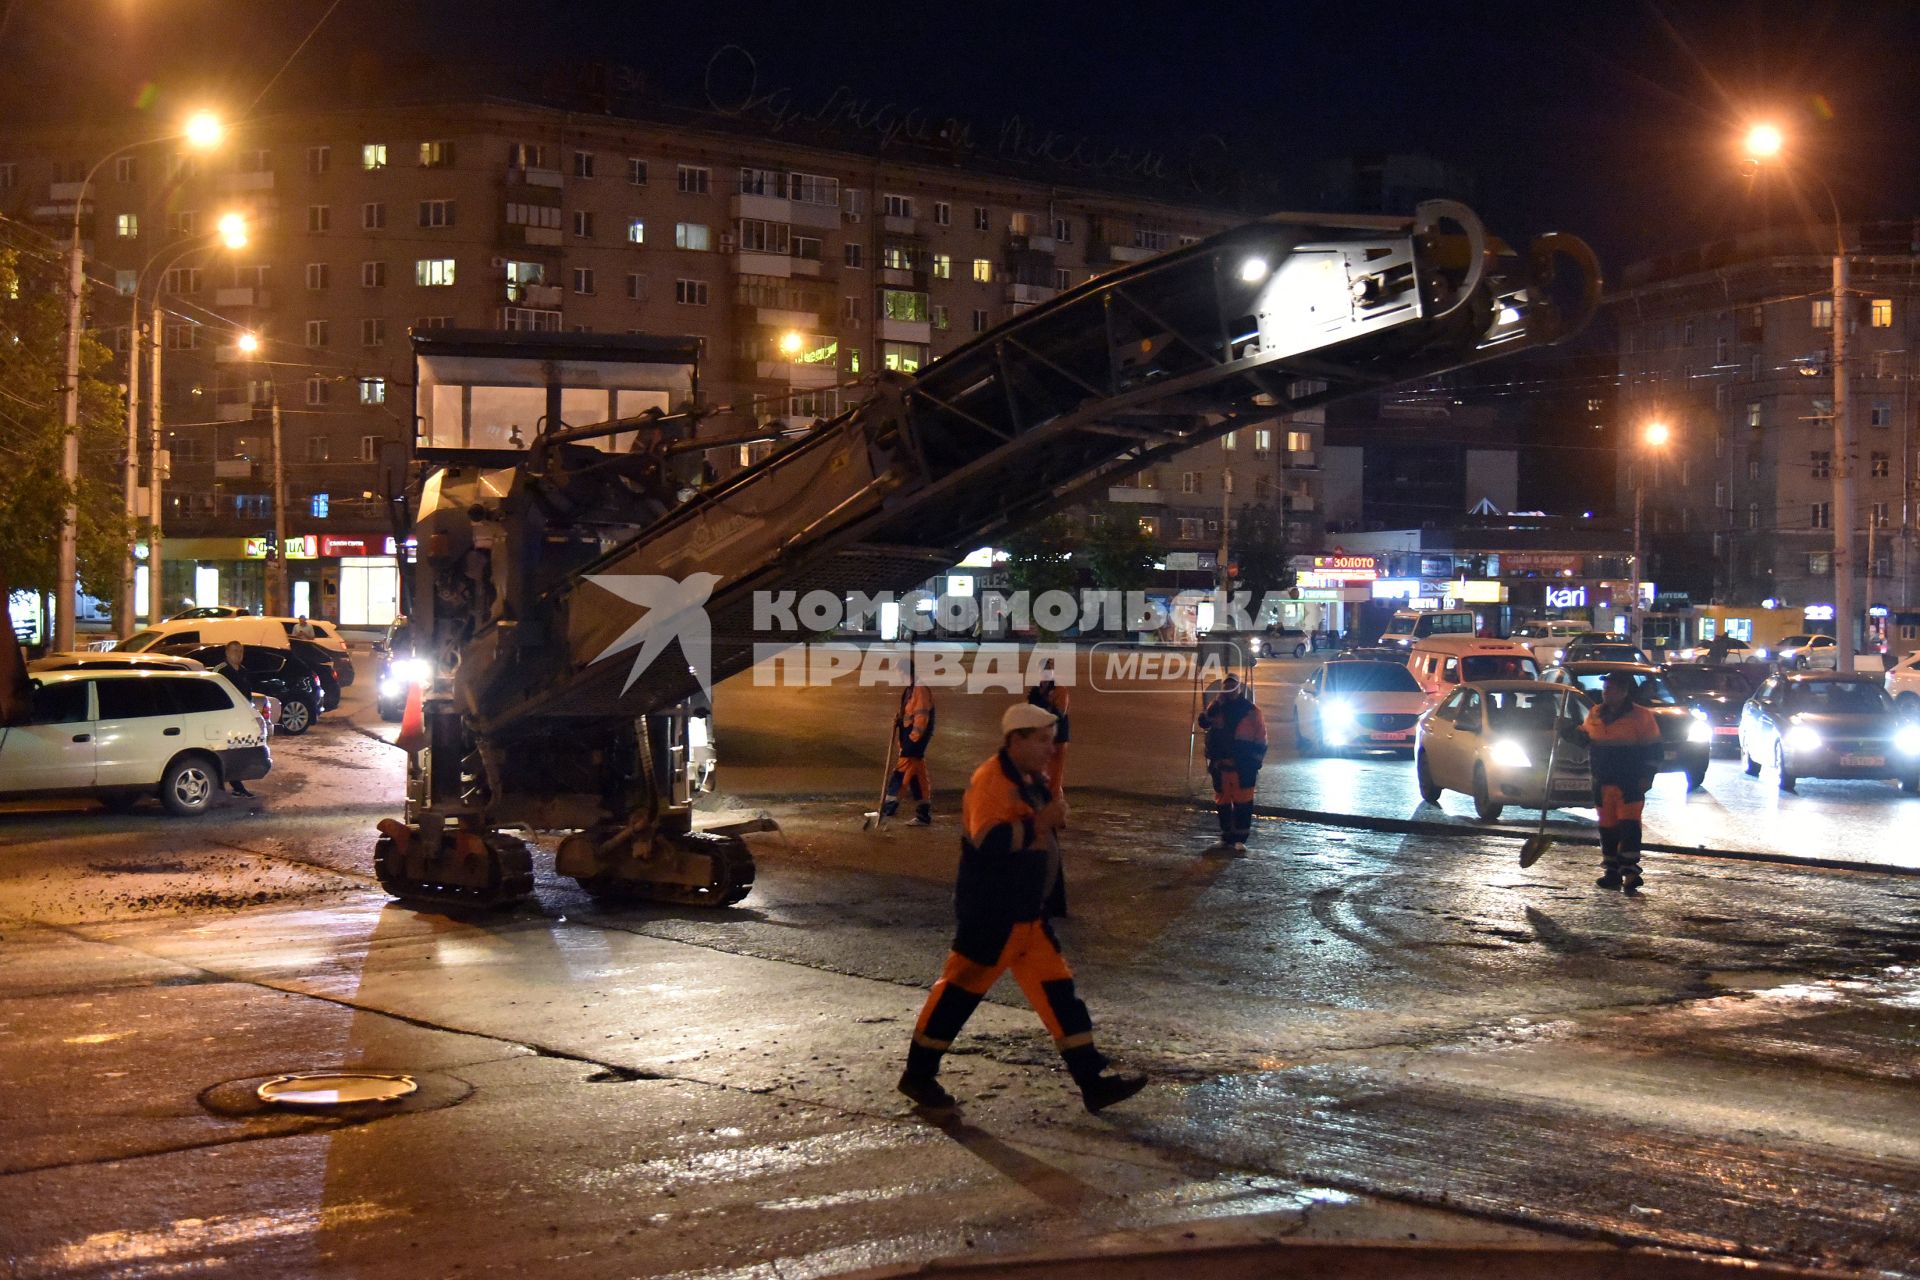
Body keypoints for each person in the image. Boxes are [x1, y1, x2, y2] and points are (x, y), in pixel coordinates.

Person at [898, 702, 1147, 1117]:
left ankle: (1093, 1081)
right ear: (1017, 740)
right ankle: (918, 1075)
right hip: (992, 916)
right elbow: (989, 842)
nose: (1052, 749)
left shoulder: (1030, 779)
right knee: (958, 996)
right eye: (1043, 741)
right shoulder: (990, 781)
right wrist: (1042, 822)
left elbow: (1039, 832)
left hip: (1027, 916)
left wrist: (1051, 817)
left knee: (1060, 995)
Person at [1563, 671, 1661, 893]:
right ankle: (1612, 872)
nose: (1606, 693)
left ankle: (1630, 872)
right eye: (1605, 689)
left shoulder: (1641, 716)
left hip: (1629, 781)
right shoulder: (1596, 713)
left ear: (1624, 691)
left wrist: (1647, 776)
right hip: (1602, 780)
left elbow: (1654, 750)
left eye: (1611, 689)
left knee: (1629, 826)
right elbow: (1585, 738)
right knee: (1607, 828)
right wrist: (1567, 731)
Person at [1196, 673, 1267, 852]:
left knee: (1243, 801)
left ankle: (1240, 839)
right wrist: (1213, 707)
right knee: (1223, 802)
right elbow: (1203, 722)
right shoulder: (1217, 707)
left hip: (1243, 765)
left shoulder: (1252, 711)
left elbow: (1261, 738)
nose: (1229, 690)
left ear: (1239, 689)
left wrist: (1255, 763)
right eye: (1226, 687)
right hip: (1221, 764)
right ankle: (1227, 836)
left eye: (1232, 687)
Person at [881, 665, 936, 825]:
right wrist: (899, 720)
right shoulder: (910, 690)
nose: (898, 676)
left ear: (906, 672)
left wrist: (913, 739)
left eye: (899, 673)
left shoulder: (919, 690)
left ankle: (887, 809)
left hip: (915, 741)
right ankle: (923, 815)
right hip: (911, 740)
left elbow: (921, 716)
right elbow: (909, 714)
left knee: (900, 772)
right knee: (918, 778)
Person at [208, 641, 258, 797]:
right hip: (223, 718)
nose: (238, 654)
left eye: (241, 651)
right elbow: (211, 693)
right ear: (227, 652)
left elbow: (248, 696)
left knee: (238, 751)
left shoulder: (243, 671)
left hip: (240, 719)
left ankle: (235, 784)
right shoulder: (220, 671)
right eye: (235, 650)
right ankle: (230, 785)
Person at [1026, 662, 1070, 796]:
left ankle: (1055, 799)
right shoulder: (1036, 690)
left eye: (1049, 671)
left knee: (1055, 772)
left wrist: (1043, 706)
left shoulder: (1060, 690)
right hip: (1041, 737)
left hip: (1057, 737)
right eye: (1044, 671)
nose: (1046, 674)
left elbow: (1059, 715)